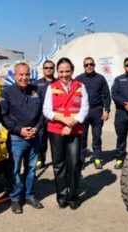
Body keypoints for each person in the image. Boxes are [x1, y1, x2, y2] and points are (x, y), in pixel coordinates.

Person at [43, 57, 89, 210]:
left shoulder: (80, 86)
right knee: (59, 164)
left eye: (67, 71)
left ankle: (74, 195)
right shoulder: (52, 87)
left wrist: (72, 123)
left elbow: (84, 109)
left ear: (72, 71)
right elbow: (47, 110)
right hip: (56, 130)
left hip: (75, 130)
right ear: (57, 72)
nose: (64, 74)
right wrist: (63, 120)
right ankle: (62, 196)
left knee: (75, 163)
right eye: (61, 71)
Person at [0, 62, 45, 214]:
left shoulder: (37, 90)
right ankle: (16, 199)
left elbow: (42, 114)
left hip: (34, 136)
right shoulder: (7, 92)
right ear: (14, 75)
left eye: (27, 74)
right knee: (14, 170)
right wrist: (20, 130)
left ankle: (30, 195)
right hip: (16, 138)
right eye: (21, 74)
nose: (24, 77)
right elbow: (4, 116)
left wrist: (36, 129)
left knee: (31, 168)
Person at [75, 57, 111, 169]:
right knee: (82, 138)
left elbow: (106, 95)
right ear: (83, 66)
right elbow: (74, 95)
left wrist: (107, 110)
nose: (89, 66)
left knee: (97, 137)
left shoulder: (100, 78)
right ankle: (81, 160)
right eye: (86, 65)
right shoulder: (78, 79)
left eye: (91, 64)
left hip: (97, 111)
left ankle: (97, 158)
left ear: (94, 65)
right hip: (83, 112)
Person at [32, 60, 56, 170]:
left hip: (55, 117)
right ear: (43, 69)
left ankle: (57, 160)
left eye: (51, 67)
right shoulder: (36, 84)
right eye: (46, 68)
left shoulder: (59, 82)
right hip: (40, 117)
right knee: (41, 140)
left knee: (56, 141)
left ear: (54, 69)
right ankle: (40, 159)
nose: (49, 69)